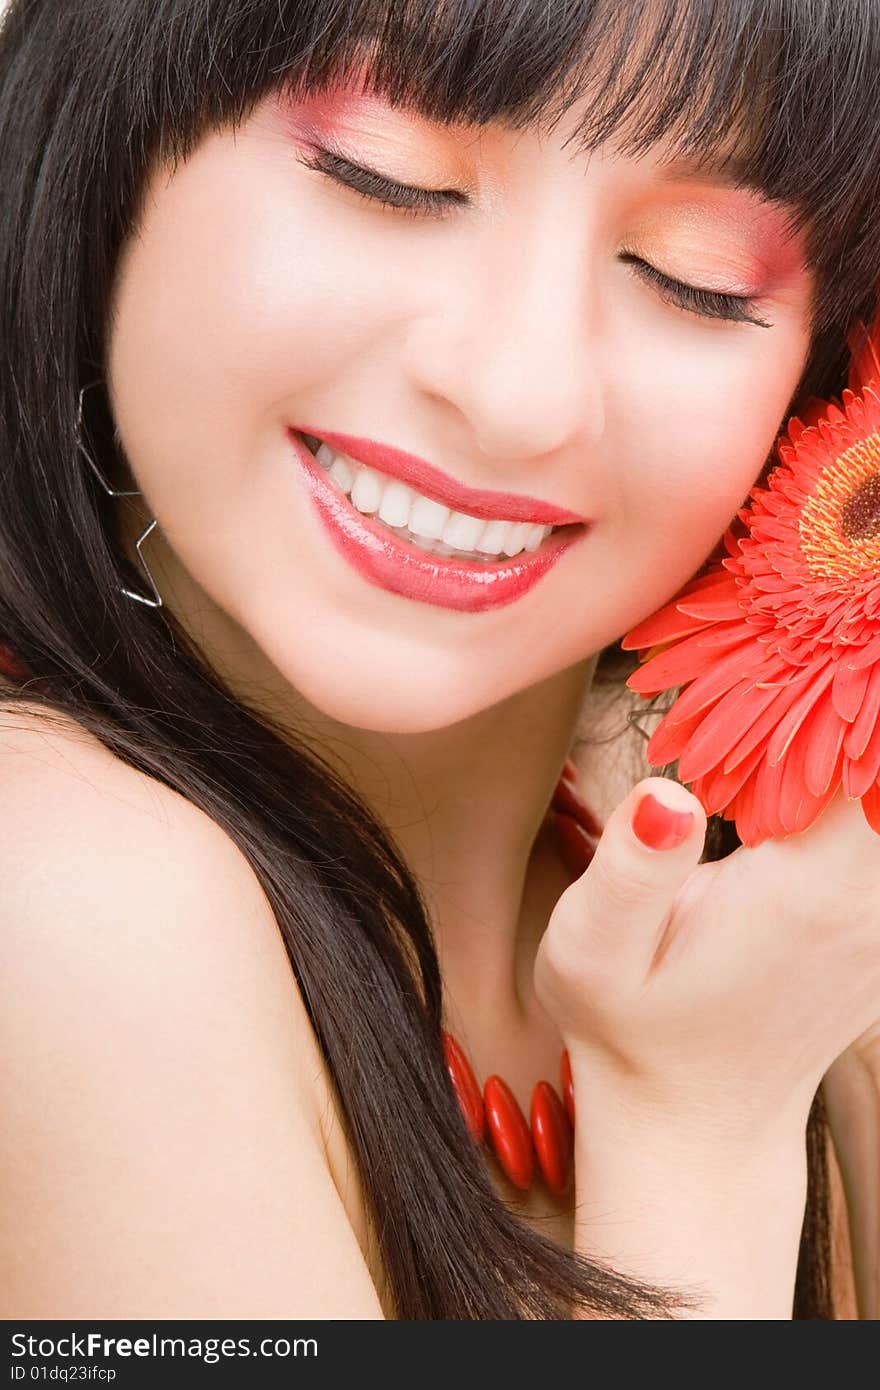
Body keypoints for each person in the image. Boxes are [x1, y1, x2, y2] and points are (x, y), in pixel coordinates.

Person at [0, 0, 878, 1321]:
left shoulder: (791, 961)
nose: (515, 392)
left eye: (694, 275)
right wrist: (695, 1129)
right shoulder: (64, 899)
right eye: (383, 173)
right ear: (116, 156)